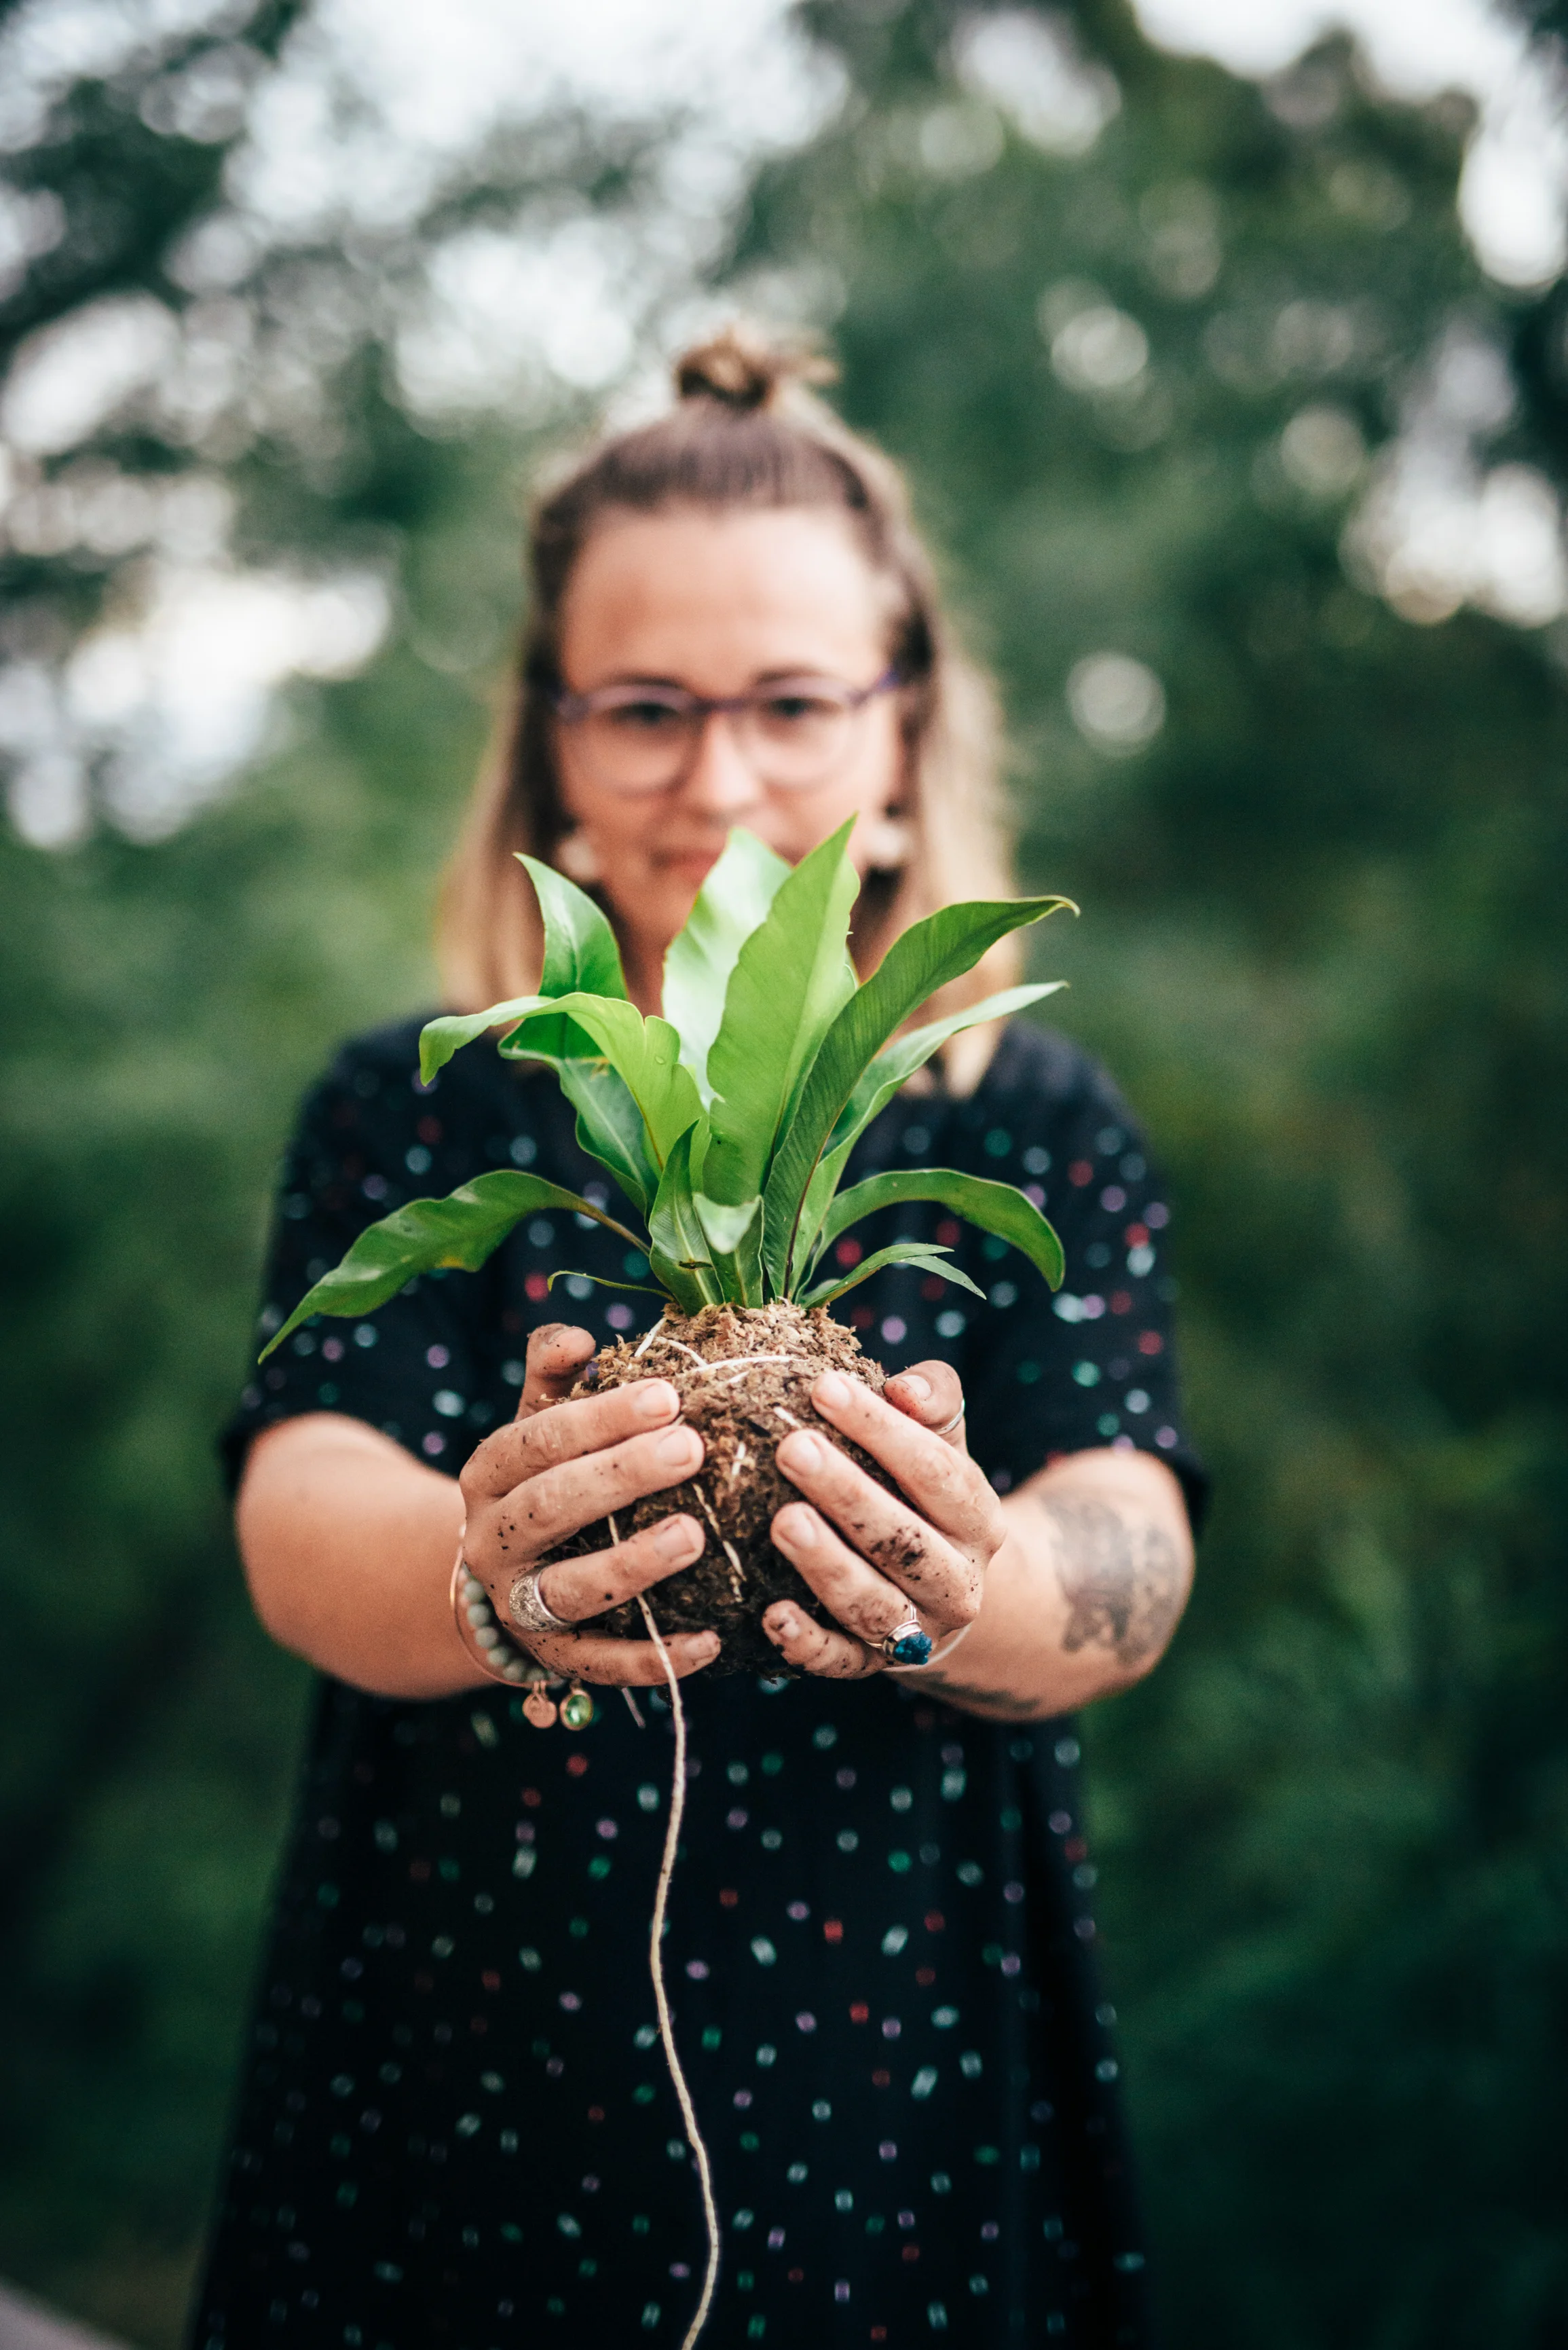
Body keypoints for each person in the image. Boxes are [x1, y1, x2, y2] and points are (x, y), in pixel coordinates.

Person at [191, 329, 1203, 2350]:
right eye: (645, 708)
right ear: (549, 736)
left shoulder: (1022, 1122)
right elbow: (307, 1481)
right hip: (455, 2057)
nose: (718, 779)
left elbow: (1133, 1535)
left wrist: (982, 1573)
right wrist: (484, 1566)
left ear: (900, 725)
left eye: (790, 705)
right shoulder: (421, 1105)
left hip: (896, 2071)